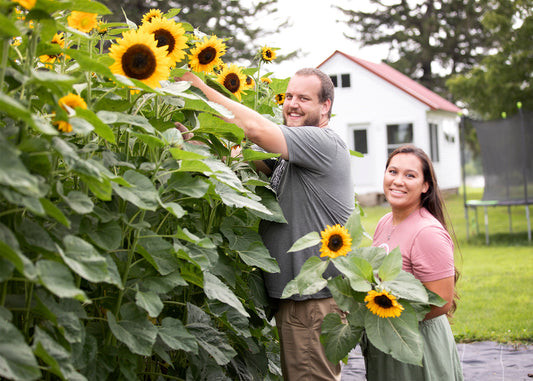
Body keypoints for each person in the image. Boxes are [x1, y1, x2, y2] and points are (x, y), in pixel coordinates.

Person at [177, 68, 355, 380]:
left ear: (325, 106)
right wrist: (193, 141)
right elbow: (240, 154)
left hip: (312, 303)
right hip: (302, 302)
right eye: (288, 96)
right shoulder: (292, 160)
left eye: (304, 98)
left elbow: (256, 130)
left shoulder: (322, 142)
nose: (292, 104)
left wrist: (201, 89)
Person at [362, 145, 463, 381]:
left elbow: (442, 302)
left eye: (410, 175)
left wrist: (387, 316)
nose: (398, 181)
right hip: (388, 339)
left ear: (425, 186)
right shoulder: (385, 222)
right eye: (393, 172)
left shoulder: (427, 232)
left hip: (417, 344)